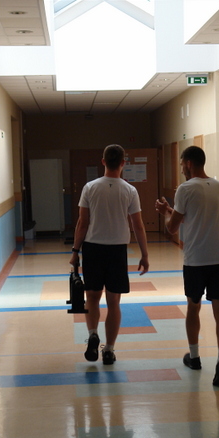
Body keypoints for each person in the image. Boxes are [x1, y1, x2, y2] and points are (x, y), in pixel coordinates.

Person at [155, 146, 219, 387]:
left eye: (182, 165)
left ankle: (195, 356)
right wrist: (172, 211)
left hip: (196, 261)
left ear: (189, 163)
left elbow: (172, 228)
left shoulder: (185, 189)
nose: (181, 169)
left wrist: (165, 213)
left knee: (193, 307)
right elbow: (200, 217)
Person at [70, 144, 149, 364]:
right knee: (113, 302)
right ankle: (109, 350)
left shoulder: (90, 188)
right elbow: (138, 225)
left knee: (92, 297)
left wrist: (75, 251)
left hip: (93, 249)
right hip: (117, 251)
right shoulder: (130, 191)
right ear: (123, 163)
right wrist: (144, 254)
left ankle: (93, 334)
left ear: (103, 161)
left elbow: (82, 223)